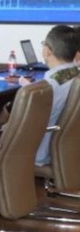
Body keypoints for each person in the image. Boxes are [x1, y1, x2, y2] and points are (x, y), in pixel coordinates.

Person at [28, 25, 80, 166]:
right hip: (67, 149)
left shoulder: (50, 85)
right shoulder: (74, 74)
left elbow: (27, 124)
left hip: (40, 152)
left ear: (47, 51)